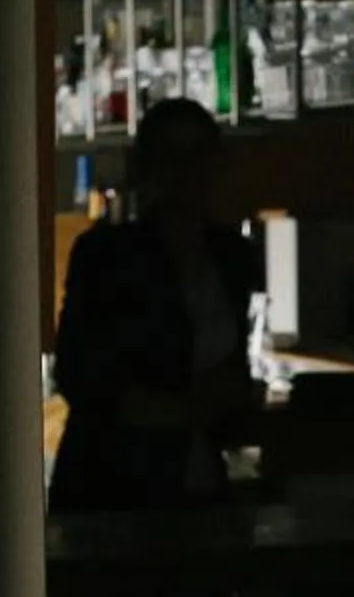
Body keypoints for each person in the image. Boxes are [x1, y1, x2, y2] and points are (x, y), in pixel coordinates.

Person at [47, 96, 258, 513]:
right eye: (172, 157)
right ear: (147, 168)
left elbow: (229, 364)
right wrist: (186, 410)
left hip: (198, 484)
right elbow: (80, 376)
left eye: (198, 155)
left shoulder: (231, 255)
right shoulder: (107, 254)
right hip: (114, 486)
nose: (187, 171)